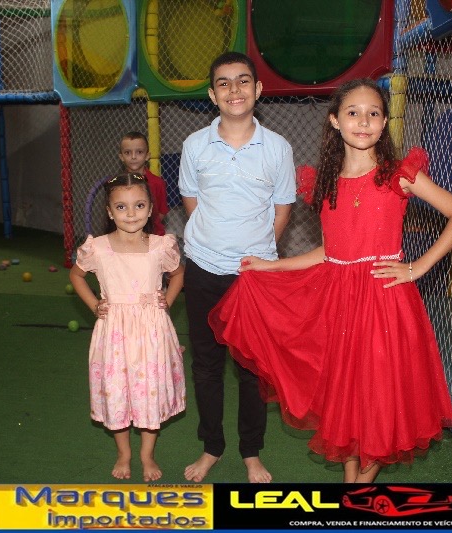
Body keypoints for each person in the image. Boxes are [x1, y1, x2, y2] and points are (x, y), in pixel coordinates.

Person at [209, 78, 452, 483]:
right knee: (348, 396)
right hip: (339, 303)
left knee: (378, 397)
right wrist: (272, 266)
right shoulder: (325, 182)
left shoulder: (398, 175)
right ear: (335, 120)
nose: (363, 121)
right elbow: (332, 252)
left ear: (384, 123)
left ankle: (358, 486)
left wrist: (417, 267)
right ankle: (353, 481)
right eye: (353, 112)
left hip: (384, 302)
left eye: (373, 113)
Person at [178, 51, 296, 483]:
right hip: (202, 268)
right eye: (224, 83)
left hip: (253, 277)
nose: (234, 90)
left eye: (243, 81)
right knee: (207, 364)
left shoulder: (278, 148)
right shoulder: (194, 145)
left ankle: (251, 453)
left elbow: (282, 211)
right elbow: (192, 203)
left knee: (252, 369)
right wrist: (214, 243)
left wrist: (257, 255)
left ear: (258, 89)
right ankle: (212, 446)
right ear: (212, 95)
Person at [69, 172, 186, 482]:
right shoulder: (97, 248)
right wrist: (94, 304)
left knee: (149, 391)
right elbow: (76, 276)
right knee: (117, 390)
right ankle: (124, 453)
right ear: (109, 212)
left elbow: (177, 274)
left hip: (151, 332)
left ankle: (147, 454)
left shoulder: (161, 246)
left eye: (139, 205)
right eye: (121, 207)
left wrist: (167, 300)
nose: (131, 213)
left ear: (150, 209)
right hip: (115, 334)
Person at [119, 131, 170, 236]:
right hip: (126, 236)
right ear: (121, 157)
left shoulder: (158, 183)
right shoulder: (117, 184)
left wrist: (146, 226)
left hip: (153, 235)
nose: (133, 157)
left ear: (147, 156)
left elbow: (162, 212)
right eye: (127, 152)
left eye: (139, 152)